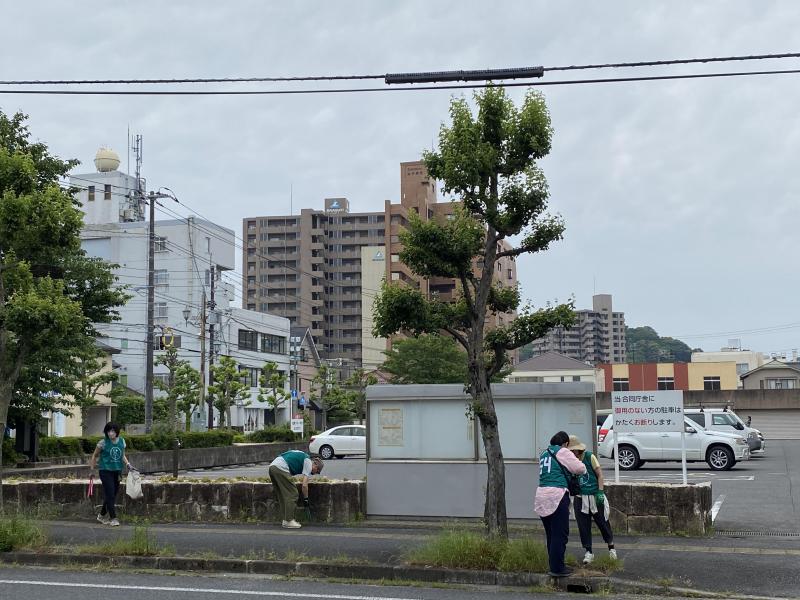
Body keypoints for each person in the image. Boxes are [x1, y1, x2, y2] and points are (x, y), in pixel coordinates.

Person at [535, 430, 587, 577]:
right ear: (566, 443)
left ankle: (554, 565)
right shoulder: (562, 451)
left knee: (551, 534)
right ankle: (558, 568)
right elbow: (580, 468)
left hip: (541, 496)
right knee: (560, 534)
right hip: (556, 496)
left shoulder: (544, 453)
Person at [568, 434, 616, 565]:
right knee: (583, 526)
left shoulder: (590, 457)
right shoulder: (569, 461)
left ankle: (611, 548)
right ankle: (588, 552)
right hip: (580, 498)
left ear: (578, 449)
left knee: (603, 523)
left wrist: (600, 491)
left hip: (595, 496)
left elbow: (600, 475)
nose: (571, 453)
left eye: (572, 451)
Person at [268, 449, 324, 529]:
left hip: (273, 467)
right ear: (315, 465)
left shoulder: (304, 456)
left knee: (283, 494)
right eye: (317, 471)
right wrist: (306, 499)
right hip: (281, 468)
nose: (315, 473)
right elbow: (304, 485)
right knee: (293, 493)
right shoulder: (308, 462)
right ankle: (289, 520)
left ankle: (285, 519)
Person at [89, 422, 131, 526]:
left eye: (112, 431)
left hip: (117, 471)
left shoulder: (122, 441)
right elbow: (94, 455)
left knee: (112, 495)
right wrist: (92, 470)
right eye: (108, 431)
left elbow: (122, 455)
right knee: (110, 494)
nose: (110, 433)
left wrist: (128, 464)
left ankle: (101, 515)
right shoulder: (103, 443)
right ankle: (113, 518)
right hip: (105, 471)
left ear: (117, 432)